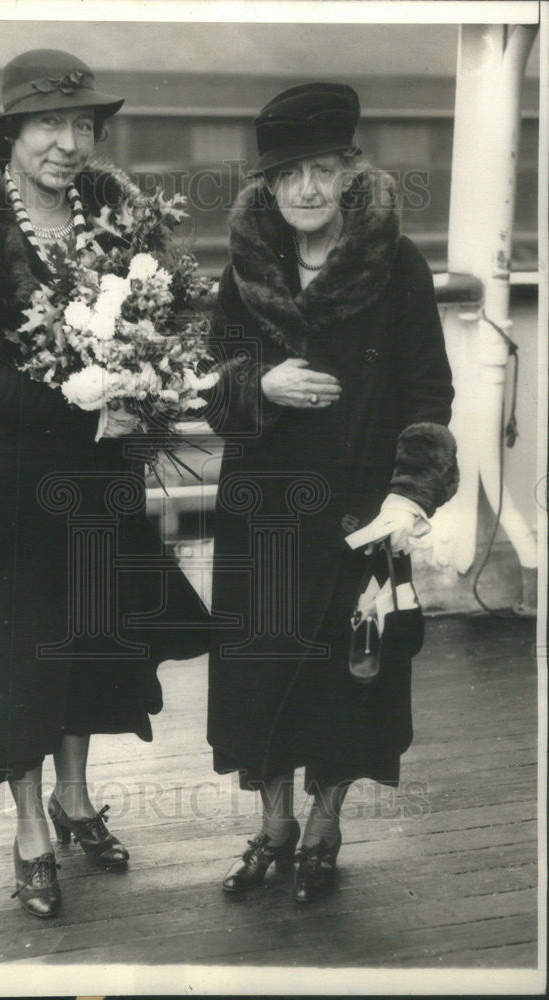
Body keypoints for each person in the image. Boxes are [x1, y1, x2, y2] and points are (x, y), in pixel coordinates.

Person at [0, 49, 211, 918]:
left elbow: (158, 329)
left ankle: (77, 798)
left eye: (84, 126)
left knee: (85, 642)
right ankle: (31, 826)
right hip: (4, 482)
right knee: (14, 660)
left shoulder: (117, 216)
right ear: (12, 132)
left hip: (94, 480)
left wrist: (150, 380)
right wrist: (83, 412)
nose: (69, 143)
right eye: (50, 124)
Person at [205, 83, 458, 904]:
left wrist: (409, 496)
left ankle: (324, 824)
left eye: (323, 169)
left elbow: (428, 394)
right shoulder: (247, 271)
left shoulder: (398, 266)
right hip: (263, 513)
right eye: (289, 174)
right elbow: (210, 384)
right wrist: (260, 385)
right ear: (267, 185)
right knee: (262, 672)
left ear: (350, 173)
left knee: (349, 679)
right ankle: (272, 822)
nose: (307, 188)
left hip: (359, 514)